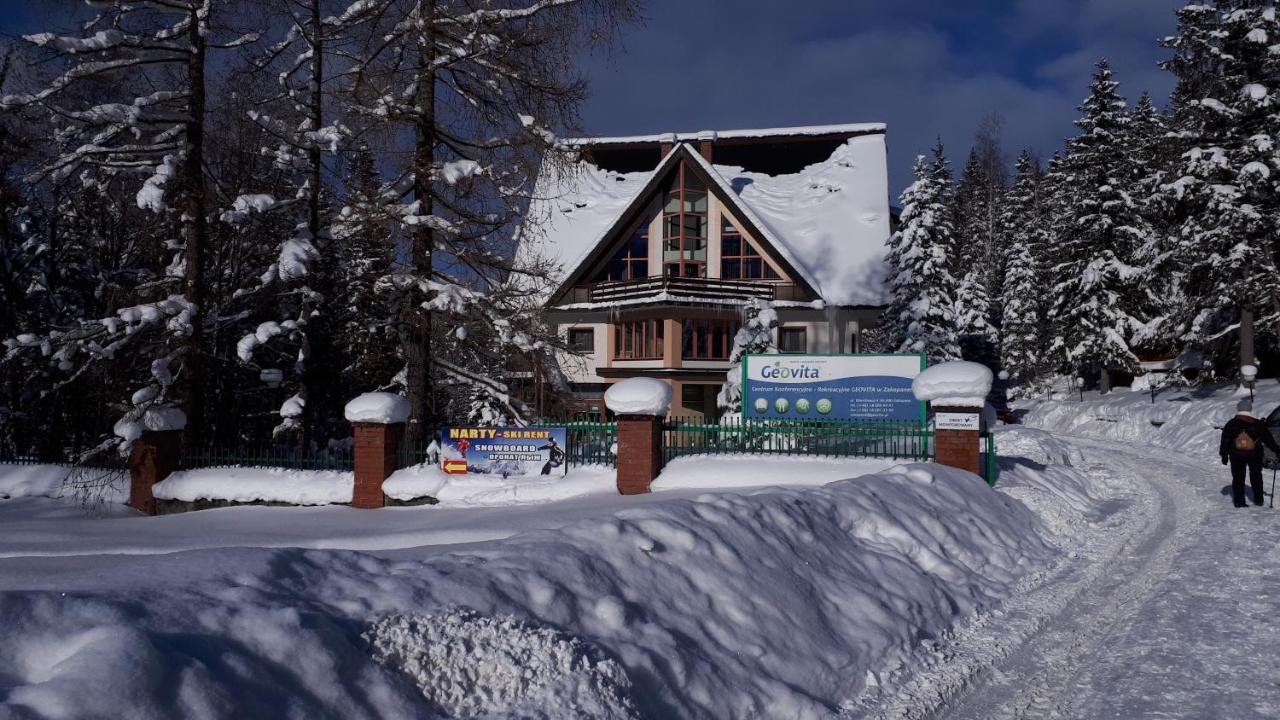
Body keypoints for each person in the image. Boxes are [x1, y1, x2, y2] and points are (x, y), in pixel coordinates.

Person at [1219, 399, 1279, 507]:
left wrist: (1224, 455)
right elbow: (1268, 439)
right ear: (1250, 409)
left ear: (1238, 409)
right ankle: (1259, 500)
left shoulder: (1231, 424)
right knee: (1256, 476)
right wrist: (1277, 450)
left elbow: (1225, 440)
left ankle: (1239, 502)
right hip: (1255, 454)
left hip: (1236, 455)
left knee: (1238, 478)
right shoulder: (1257, 424)